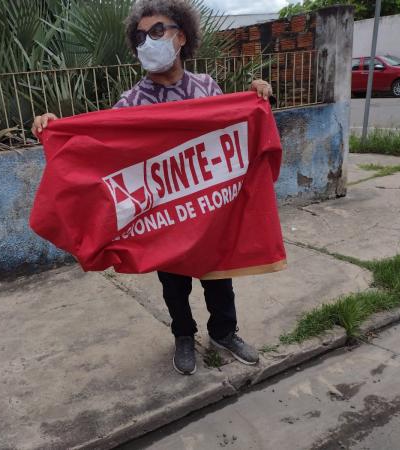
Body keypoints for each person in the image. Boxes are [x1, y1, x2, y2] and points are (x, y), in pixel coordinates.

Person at [32, 0, 273, 376]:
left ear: (181, 36)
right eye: (141, 36)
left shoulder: (207, 87)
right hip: (164, 215)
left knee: (219, 280)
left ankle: (224, 333)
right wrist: (55, 128)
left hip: (208, 212)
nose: (148, 41)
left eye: (157, 31)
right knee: (173, 286)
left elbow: (234, 127)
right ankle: (183, 336)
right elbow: (98, 144)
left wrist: (256, 95)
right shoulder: (132, 102)